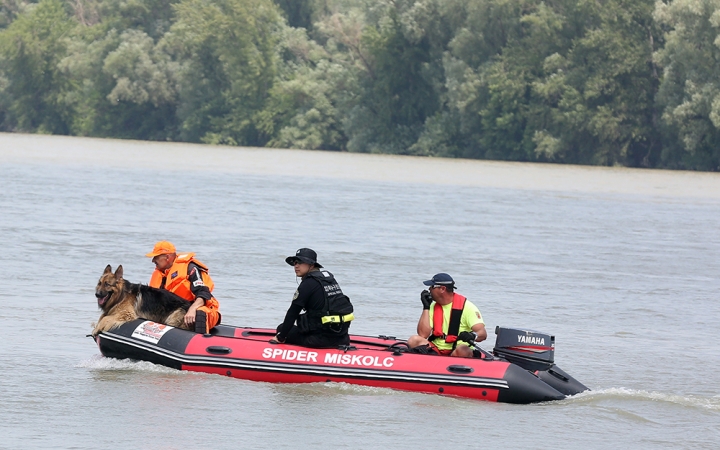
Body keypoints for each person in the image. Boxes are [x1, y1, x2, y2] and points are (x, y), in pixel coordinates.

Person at [270, 248, 354, 348]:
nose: (296, 266)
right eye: (295, 262)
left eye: (300, 262)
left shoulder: (308, 284)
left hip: (318, 340)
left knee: (282, 328)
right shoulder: (328, 280)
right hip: (342, 338)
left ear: (312, 265)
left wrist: (281, 337)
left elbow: (293, 312)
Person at [145, 241, 221, 334]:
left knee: (200, 313)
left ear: (167, 257)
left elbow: (203, 293)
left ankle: (200, 343)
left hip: (203, 309)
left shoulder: (190, 268)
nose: (153, 260)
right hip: (177, 312)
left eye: (156, 257)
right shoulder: (160, 274)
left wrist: (192, 310)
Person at [407, 273, 487, 357]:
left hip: (457, 349)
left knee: (463, 350)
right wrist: (426, 307)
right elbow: (423, 335)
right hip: (436, 348)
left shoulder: (468, 307)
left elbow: (483, 333)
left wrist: (473, 336)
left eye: (432, 287)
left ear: (442, 289)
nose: (429, 289)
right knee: (414, 340)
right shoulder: (432, 306)